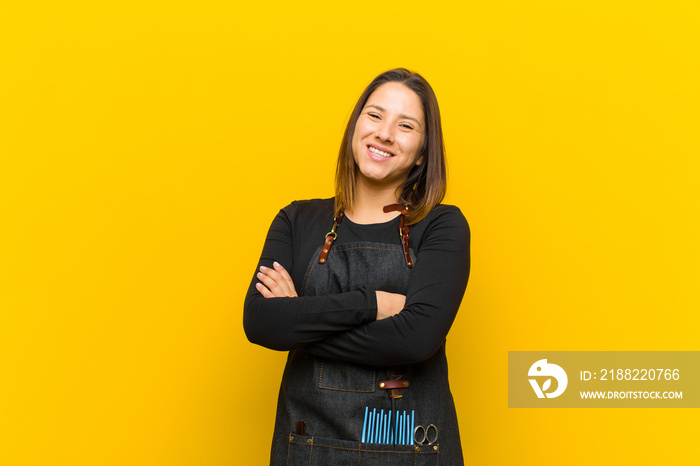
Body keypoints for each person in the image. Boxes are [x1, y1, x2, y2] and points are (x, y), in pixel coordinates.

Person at [243, 68, 470, 465]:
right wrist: (373, 304)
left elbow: (416, 340)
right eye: (375, 115)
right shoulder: (296, 221)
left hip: (409, 449)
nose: (384, 133)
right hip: (307, 448)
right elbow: (260, 321)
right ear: (355, 126)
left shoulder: (442, 226)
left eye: (406, 125)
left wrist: (299, 318)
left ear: (422, 153)